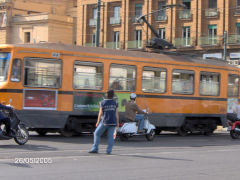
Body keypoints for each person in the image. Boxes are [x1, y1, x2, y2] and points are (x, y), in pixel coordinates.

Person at [89, 89, 119, 155]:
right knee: (110, 137)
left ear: (106, 95)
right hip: (113, 122)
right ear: (113, 95)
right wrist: (117, 122)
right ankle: (108, 151)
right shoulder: (115, 103)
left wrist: (97, 122)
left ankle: (95, 149)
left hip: (105, 122)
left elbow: (100, 113)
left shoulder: (102, 102)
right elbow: (116, 114)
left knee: (96, 133)